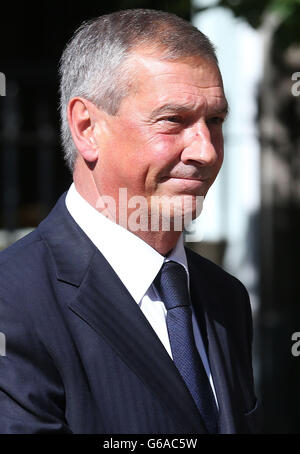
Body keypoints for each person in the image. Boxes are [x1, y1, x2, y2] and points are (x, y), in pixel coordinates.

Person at [0, 9, 258, 434]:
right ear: (87, 127)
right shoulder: (14, 304)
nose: (206, 151)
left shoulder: (224, 298)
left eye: (215, 121)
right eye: (173, 120)